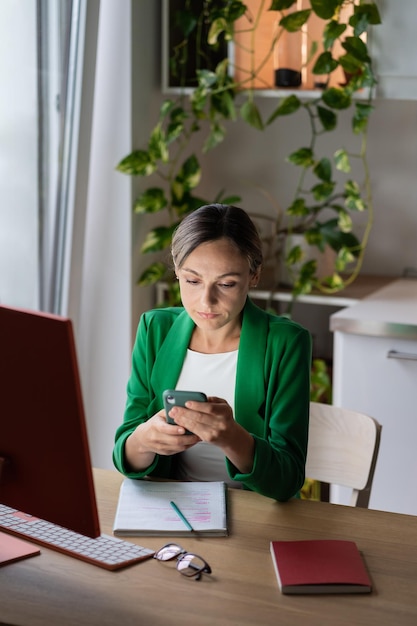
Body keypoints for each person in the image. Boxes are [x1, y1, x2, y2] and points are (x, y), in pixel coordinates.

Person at [112, 204, 312, 501]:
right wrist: (142, 441)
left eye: (227, 283)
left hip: (255, 513)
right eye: (192, 281)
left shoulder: (286, 343)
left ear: (254, 275)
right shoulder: (155, 328)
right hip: (173, 508)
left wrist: (233, 437)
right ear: (178, 271)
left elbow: (287, 479)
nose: (206, 301)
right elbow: (125, 455)